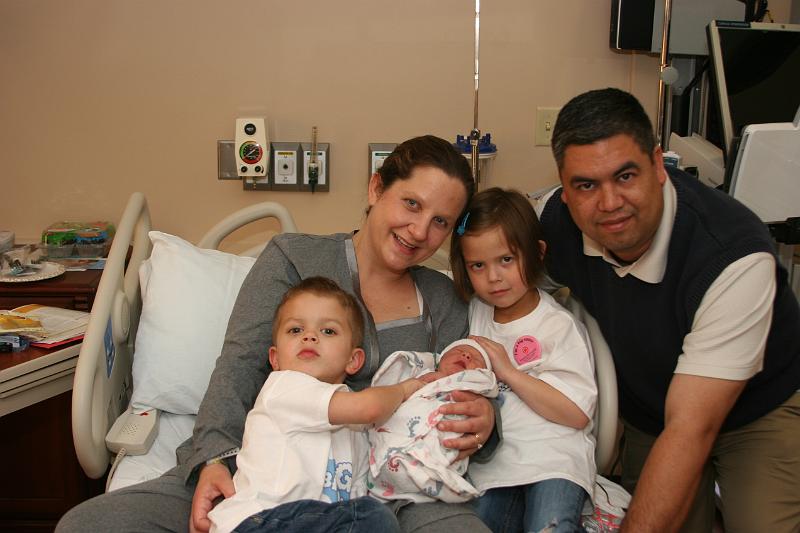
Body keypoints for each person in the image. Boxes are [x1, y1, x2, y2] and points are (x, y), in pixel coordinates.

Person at [56, 135, 497, 533]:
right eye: (412, 204)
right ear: (376, 188)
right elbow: (239, 367)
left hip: (392, 490)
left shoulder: (444, 298)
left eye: (441, 221)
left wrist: (485, 424)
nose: (420, 231)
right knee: (88, 526)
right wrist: (214, 459)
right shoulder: (293, 259)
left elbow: (464, 389)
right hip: (262, 473)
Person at [539, 87, 800, 532]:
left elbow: (691, 429)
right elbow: (494, 263)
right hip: (653, 410)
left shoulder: (731, 256)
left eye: (625, 176)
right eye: (586, 185)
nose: (609, 203)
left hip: (758, 410)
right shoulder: (556, 226)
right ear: (563, 190)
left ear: (658, 165)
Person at [210, 277, 422, 533]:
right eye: (295, 330)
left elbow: (356, 493)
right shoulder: (284, 387)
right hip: (259, 520)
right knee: (374, 517)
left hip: (314, 523)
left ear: (353, 360)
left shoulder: (355, 429)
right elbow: (369, 408)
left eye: (328, 331)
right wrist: (404, 389)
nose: (309, 336)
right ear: (275, 359)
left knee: (369, 514)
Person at [449, 187, 598, 533]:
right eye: (478, 265)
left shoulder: (557, 325)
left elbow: (577, 413)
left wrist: (509, 372)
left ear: (537, 253)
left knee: (550, 526)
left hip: (555, 461)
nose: (493, 277)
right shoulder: (476, 313)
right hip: (495, 466)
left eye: (506, 260)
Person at [367, 338, 498, 503]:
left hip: (443, 438)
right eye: (458, 351)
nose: (466, 355)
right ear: (439, 360)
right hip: (393, 437)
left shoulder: (473, 386)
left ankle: (428, 468)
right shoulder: (420, 374)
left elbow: (489, 388)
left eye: (476, 359)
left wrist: (489, 412)